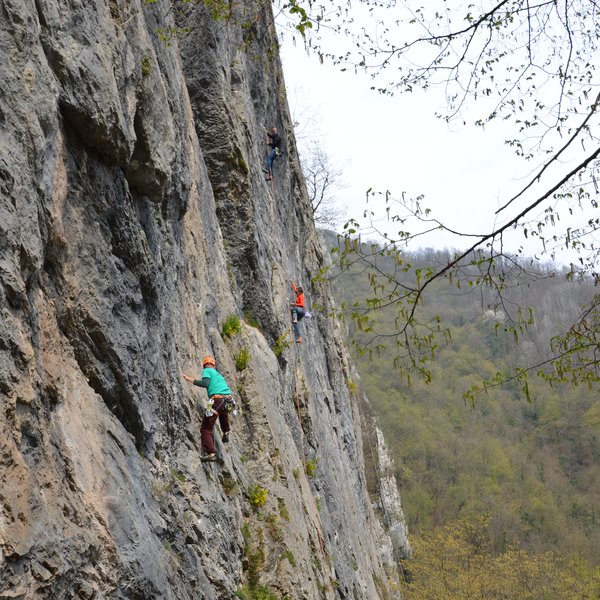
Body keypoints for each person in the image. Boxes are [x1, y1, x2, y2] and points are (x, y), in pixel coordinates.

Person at [183, 356, 232, 462]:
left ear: (204, 365)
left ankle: (211, 453)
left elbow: (205, 383)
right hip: (228, 401)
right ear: (213, 365)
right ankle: (226, 431)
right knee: (222, 413)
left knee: (205, 429)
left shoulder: (207, 370)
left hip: (216, 400)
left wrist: (189, 379)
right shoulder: (218, 375)